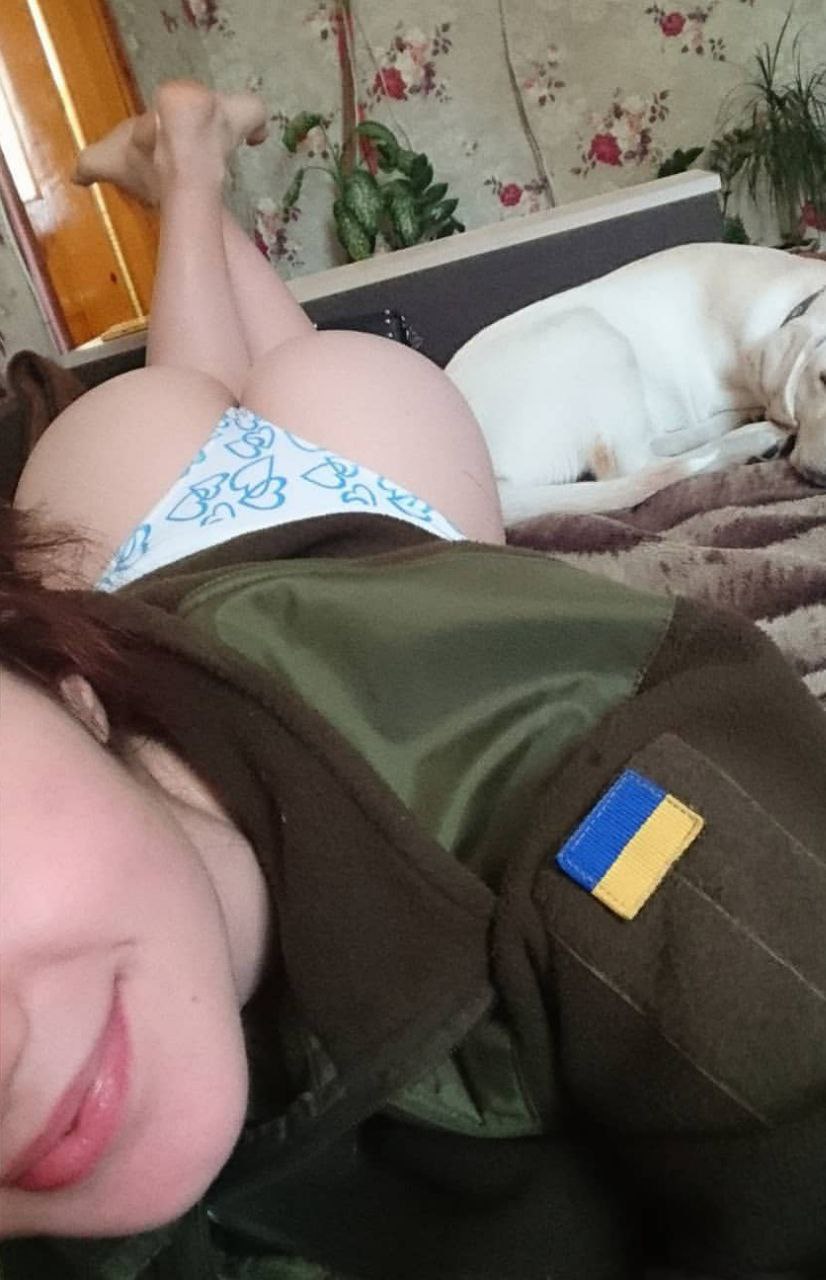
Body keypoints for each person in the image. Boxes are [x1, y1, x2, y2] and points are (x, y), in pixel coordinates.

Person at [1, 81, 825, 1280]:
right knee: (274, 374)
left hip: (166, 536)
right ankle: (188, 171)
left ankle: (184, 169)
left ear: (65, 679)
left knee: (236, 385)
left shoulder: (605, 790)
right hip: (187, 532)